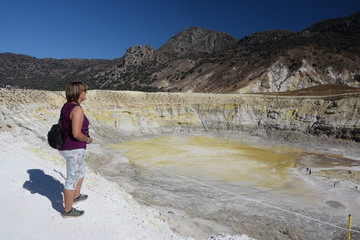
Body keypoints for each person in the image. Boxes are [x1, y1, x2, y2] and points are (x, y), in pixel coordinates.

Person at [58, 81, 93, 218]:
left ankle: (76, 195)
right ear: (79, 92)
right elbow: (76, 133)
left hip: (68, 147)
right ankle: (68, 210)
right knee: (71, 178)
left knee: (81, 171)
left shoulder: (66, 106)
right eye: (84, 90)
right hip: (74, 148)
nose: (86, 92)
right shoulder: (77, 109)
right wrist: (88, 140)